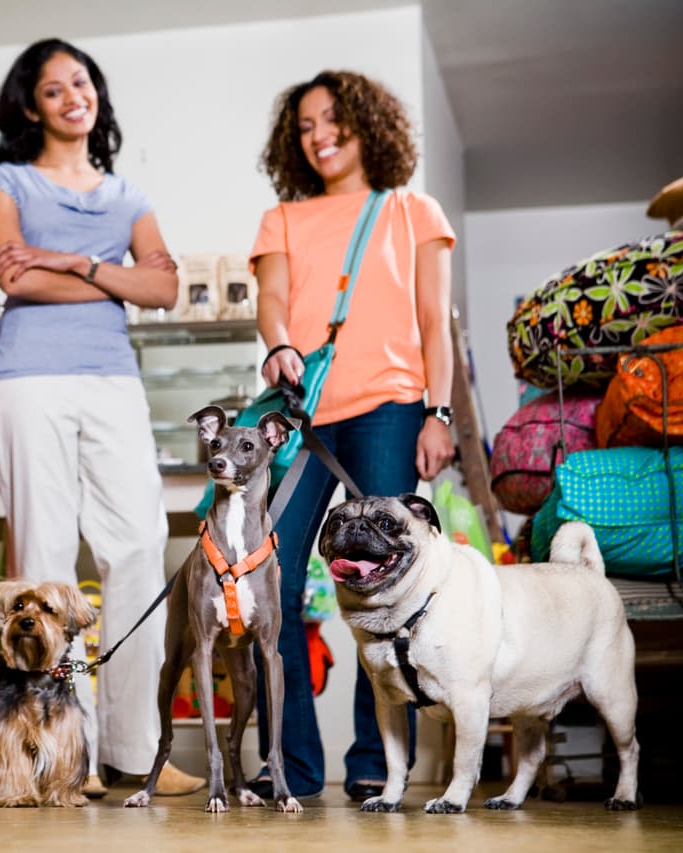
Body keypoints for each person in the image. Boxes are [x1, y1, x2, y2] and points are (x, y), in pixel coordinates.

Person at [0, 38, 203, 798]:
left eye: (82, 81)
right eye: (52, 88)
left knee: (139, 546)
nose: (73, 95)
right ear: (29, 106)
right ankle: (54, 753)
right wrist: (115, 279)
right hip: (29, 377)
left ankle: (134, 753)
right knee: (43, 562)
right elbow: (12, 272)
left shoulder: (128, 197)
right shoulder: (4, 181)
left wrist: (69, 263)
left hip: (111, 380)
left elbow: (164, 288)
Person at [248, 69, 457, 801]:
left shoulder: (411, 210)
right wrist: (278, 344)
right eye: (304, 125)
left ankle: (377, 761)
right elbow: (272, 300)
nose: (319, 135)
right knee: (268, 575)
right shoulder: (282, 220)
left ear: (366, 123)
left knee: (389, 584)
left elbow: (437, 322)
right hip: (303, 413)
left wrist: (442, 411)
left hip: (392, 406)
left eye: (331, 119)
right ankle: (291, 764)